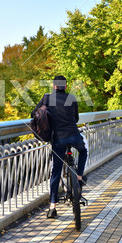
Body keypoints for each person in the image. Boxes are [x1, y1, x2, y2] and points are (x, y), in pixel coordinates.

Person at [31, 75, 88, 218]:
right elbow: (76, 119)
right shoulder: (71, 98)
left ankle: (52, 207)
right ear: (66, 87)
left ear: (54, 86)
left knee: (56, 171)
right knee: (83, 151)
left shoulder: (47, 99)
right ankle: (80, 178)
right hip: (74, 136)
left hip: (58, 140)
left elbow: (34, 114)